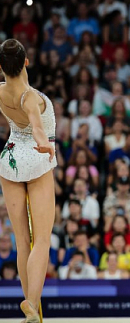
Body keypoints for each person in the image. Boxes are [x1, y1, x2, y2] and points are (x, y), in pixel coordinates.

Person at [0, 39, 56, 323]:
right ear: (26, 62)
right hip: (35, 157)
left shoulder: (0, 91)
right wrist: (45, 144)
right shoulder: (29, 96)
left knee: (22, 240)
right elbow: (35, 125)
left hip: (9, 159)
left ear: (0, 67)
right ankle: (31, 304)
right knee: (42, 239)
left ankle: (31, 308)